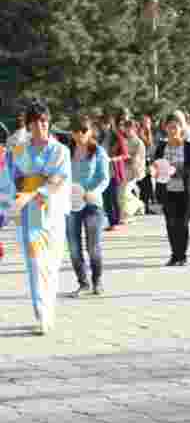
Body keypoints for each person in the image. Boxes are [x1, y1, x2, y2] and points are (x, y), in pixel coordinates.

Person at [0, 100, 72, 334]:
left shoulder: (60, 150)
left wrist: (34, 191)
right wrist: (10, 202)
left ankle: (49, 308)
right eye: (35, 122)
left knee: (51, 265)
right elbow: (10, 179)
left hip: (51, 213)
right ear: (29, 125)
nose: (41, 126)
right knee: (35, 264)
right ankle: (40, 313)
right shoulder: (18, 150)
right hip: (29, 216)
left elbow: (57, 179)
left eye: (44, 121)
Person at [66, 116, 110, 297]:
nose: (81, 134)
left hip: (92, 203)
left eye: (85, 130)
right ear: (73, 133)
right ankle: (83, 283)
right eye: (77, 130)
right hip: (71, 204)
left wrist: (94, 192)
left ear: (90, 131)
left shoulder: (98, 151)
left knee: (94, 246)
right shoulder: (66, 151)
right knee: (74, 246)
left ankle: (97, 281)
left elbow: (104, 178)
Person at [154, 113, 190, 266]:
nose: (172, 130)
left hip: (184, 190)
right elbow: (156, 164)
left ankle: (182, 255)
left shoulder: (188, 146)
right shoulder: (161, 146)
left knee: (182, 223)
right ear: (165, 128)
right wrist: (154, 170)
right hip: (167, 190)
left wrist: (175, 171)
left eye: (175, 127)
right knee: (170, 223)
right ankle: (174, 254)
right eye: (170, 127)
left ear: (181, 128)